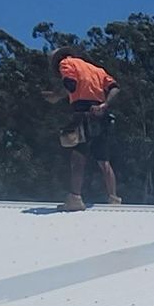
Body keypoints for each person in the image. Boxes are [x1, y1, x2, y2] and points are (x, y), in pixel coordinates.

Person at [43, 51, 123, 210]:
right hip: (101, 115)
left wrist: (56, 95)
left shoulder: (66, 64)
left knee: (78, 157)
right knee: (103, 160)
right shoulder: (97, 69)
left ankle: (75, 198)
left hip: (84, 115)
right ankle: (114, 198)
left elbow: (71, 84)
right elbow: (115, 88)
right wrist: (105, 104)